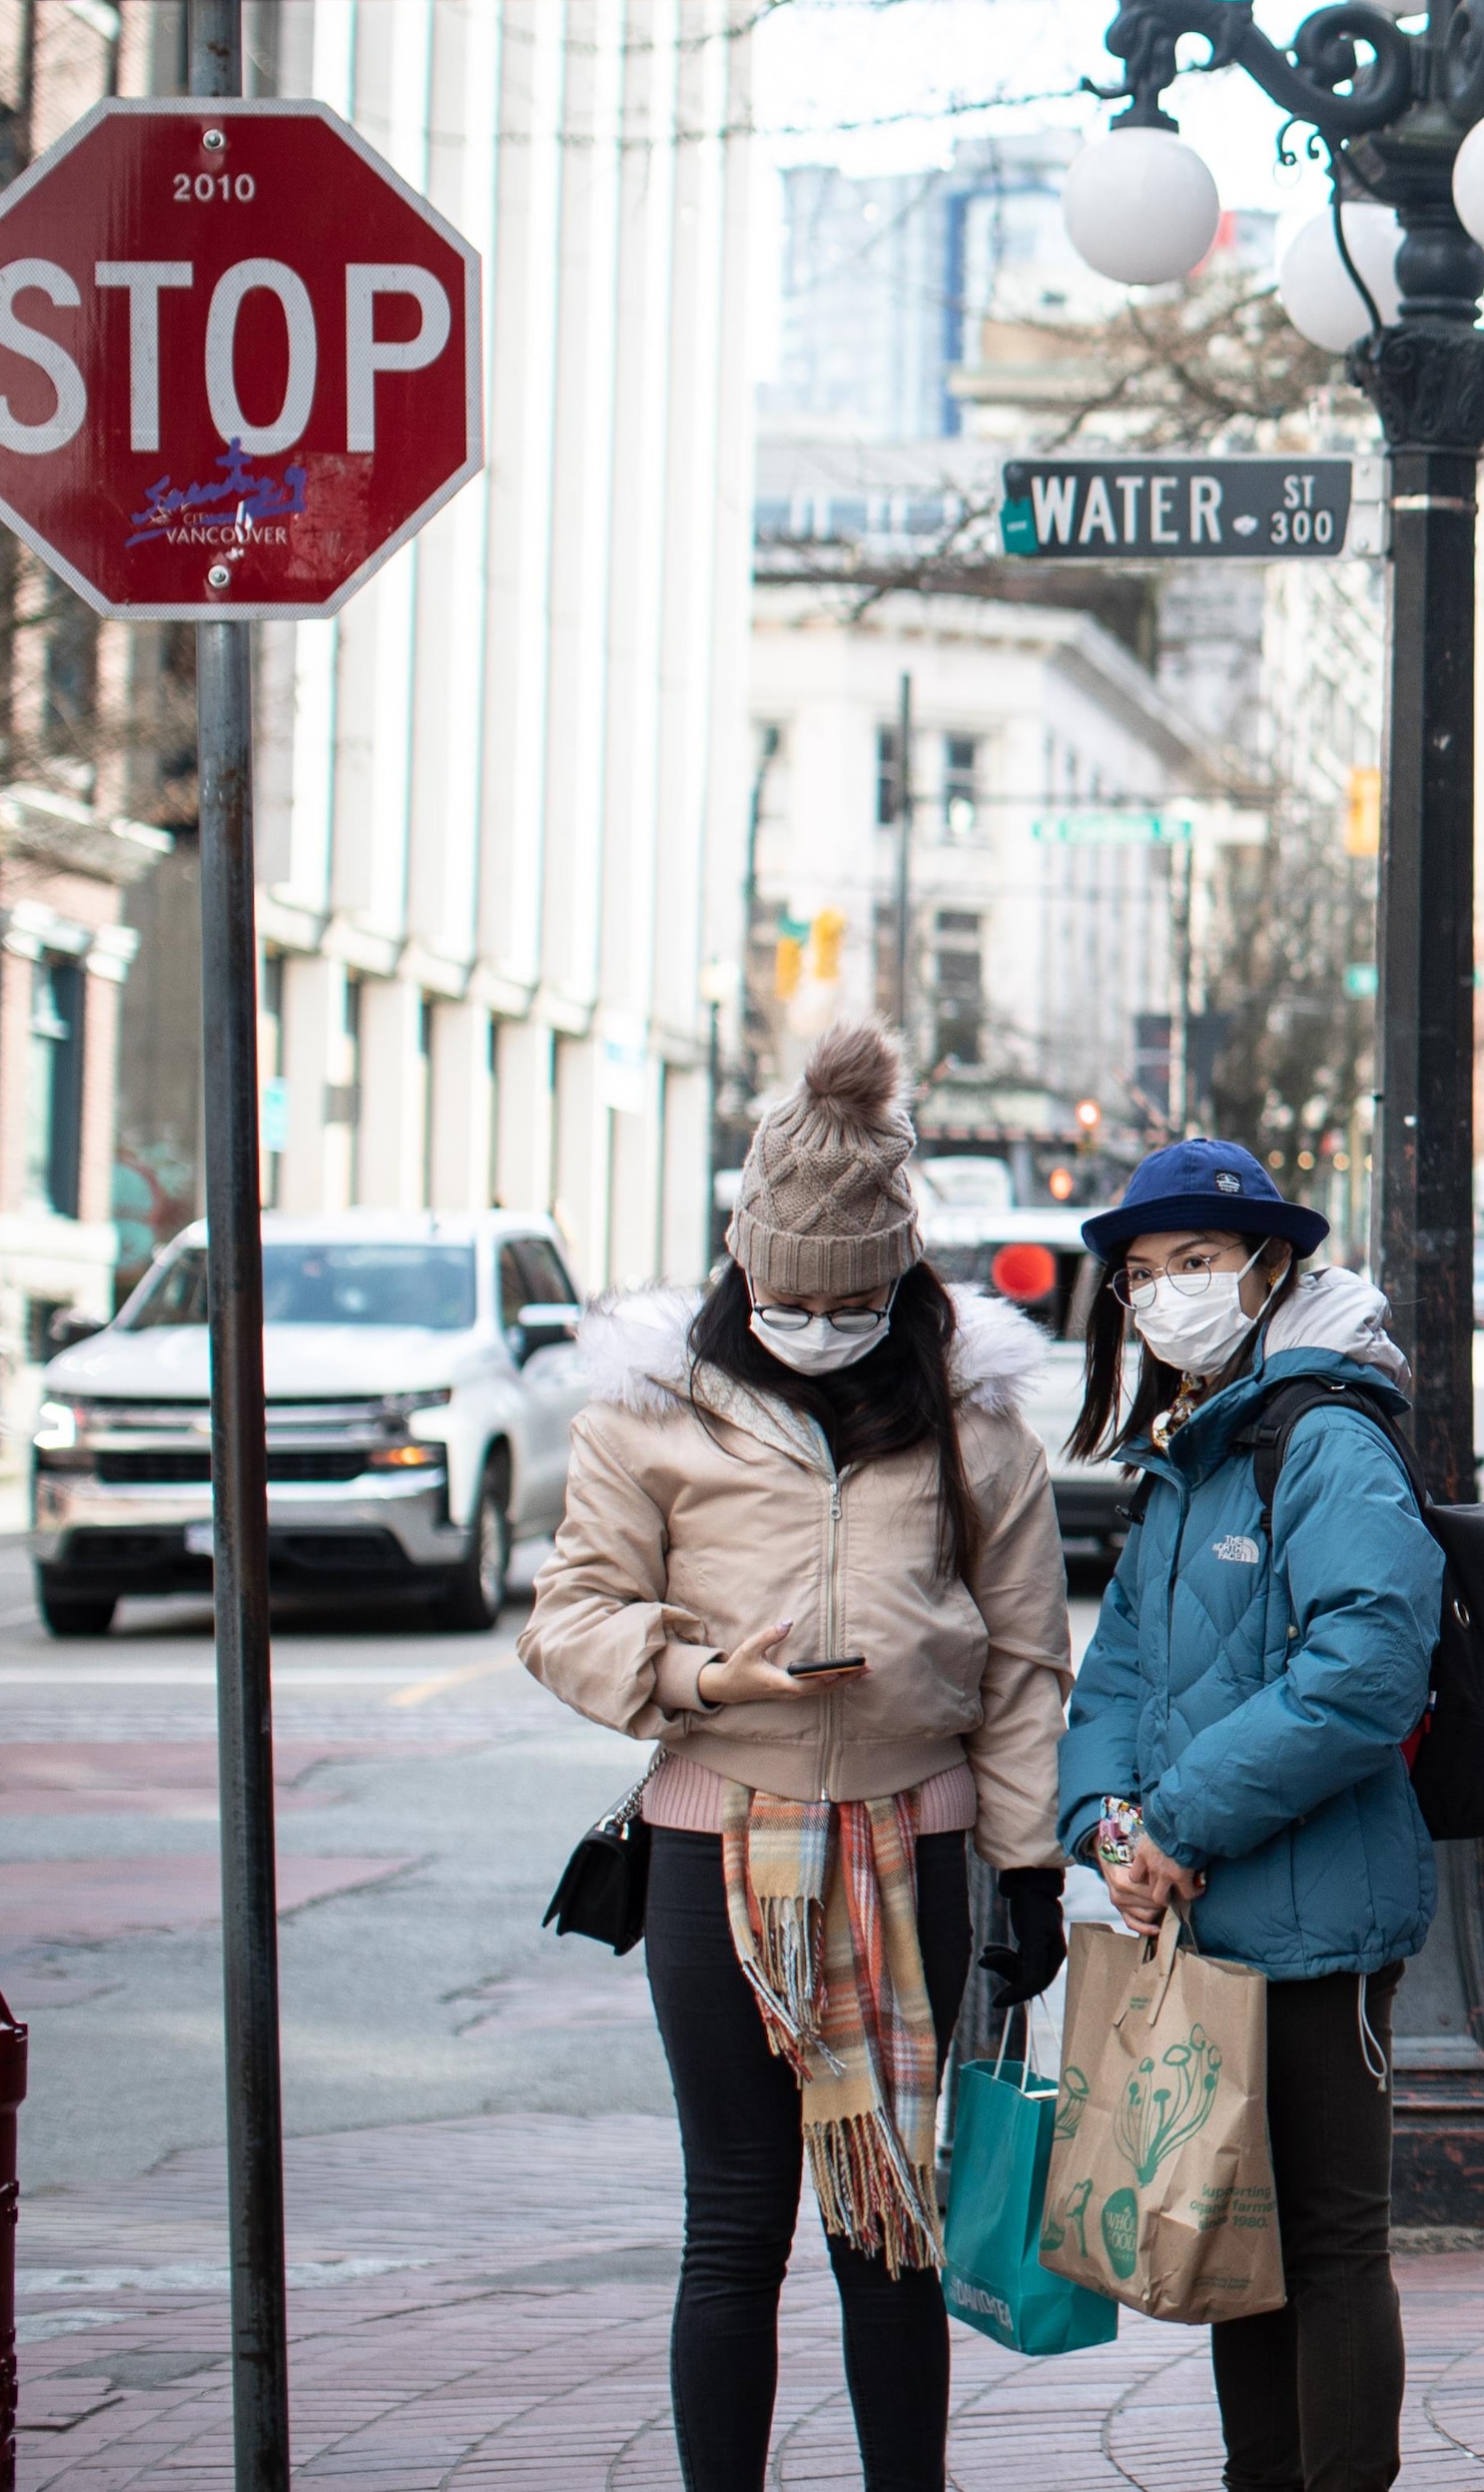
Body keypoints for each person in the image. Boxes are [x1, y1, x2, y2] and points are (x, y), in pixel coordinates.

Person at [518, 1029, 1076, 2492]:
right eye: (785, 1298)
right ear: (738, 1272)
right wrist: (707, 1674)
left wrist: (1025, 1867)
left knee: (888, 2224)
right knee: (738, 2216)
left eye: (847, 1301)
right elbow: (569, 1618)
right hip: (719, 1846)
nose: (816, 1322)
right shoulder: (650, 1414)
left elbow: (1022, 1666)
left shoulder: (978, 1424)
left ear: (901, 1286)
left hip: (921, 1850)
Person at [1055, 1142, 1439, 2492]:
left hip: (1318, 1920)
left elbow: (1366, 1669)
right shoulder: (1189, 1453)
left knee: (1328, 2244)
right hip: (1206, 1916)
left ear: (1271, 1269)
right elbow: (1116, 1676)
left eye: (1197, 1265)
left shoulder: (1323, 1433)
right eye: (1145, 1275)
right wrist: (1110, 1829)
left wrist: (1184, 1826)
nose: (1166, 1296)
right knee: (1242, 2233)